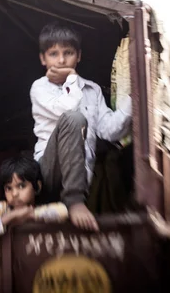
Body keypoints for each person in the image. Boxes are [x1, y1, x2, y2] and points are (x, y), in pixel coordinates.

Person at [30, 22, 132, 231]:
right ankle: (74, 202)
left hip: (82, 175)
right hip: (48, 170)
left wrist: (134, 98)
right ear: (43, 58)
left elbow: (109, 131)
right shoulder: (39, 87)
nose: (61, 60)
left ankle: (75, 197)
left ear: (79, 56)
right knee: (74, 119)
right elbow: (65, 113)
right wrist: (72, 79)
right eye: (53, 53)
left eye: (68, 52)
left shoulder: (92, 89)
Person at [0, 155, 68, 246]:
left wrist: (30, 214)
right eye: (8, 188)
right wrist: (10, 217)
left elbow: (64, 211)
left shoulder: (42, 207)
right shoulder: (2, 209)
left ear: (37, 187)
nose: (14, 194)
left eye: (21, 186)